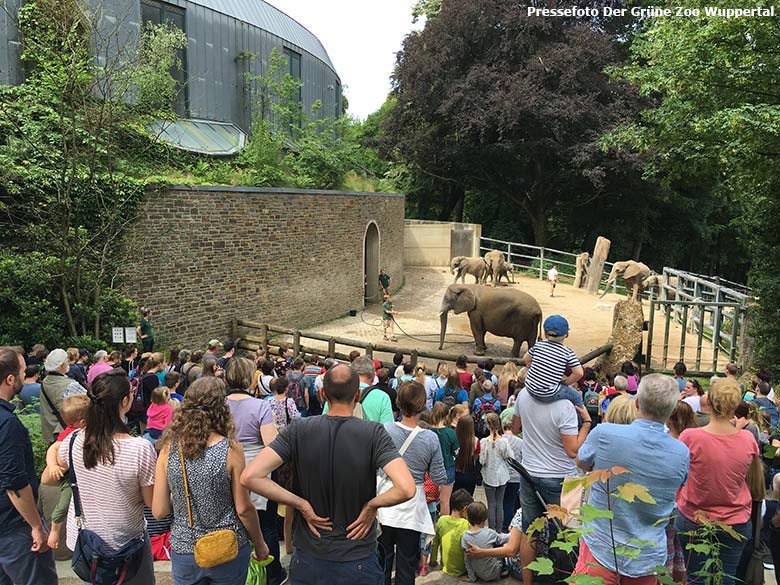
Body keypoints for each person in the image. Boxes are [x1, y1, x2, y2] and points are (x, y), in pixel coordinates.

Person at [240, 364, 416, 583]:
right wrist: (372, 505)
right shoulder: (374, 433)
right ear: (358, 395)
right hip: (358, 557)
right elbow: (407, 488)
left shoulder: (299, 429)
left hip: (309, 558)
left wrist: (300, 504)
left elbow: (250, 476)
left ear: (322, 394)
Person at [574, 374, 690, 584]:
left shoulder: (604, 434)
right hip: (647, 557)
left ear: (637, 403)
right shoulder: (681, 453)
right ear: (673, 410)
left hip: (601, 547)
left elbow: (581, 462)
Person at [152, 377, 270, 584]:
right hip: (228, 545)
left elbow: (159, 510)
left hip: (185, 548)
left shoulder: (168, 449)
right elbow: (243, 509)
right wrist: (260, 544)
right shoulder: (231, 449)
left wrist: (184, 496)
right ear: (221, 408)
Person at [48, 368, 157, 584]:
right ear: (125, 401)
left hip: (88, 542)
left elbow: (54, 456)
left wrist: (52, 462)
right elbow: (152, 503)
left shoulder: (75, 441)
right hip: (127, 543)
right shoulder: (139, 448)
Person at [675, 379, 762, 585]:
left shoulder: (690, 437)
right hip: (736, 520)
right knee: (726, 579)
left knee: (695, 578)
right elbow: (752, 478)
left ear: (710, 402)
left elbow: (677, 473)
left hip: (694, 518)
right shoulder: (748, 439)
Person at [511, 373, 591, 585]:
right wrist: (586, 424)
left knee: (530, 530)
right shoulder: (565, 405)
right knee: (564, 532)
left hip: (529, 472)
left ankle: (528, 582)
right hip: (561, 477)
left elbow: (515, 428)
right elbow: (573, 451)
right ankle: (563, 579)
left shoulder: (525, 395)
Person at [379, 381, 447, 585]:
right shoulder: (430, 439)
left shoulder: (384, 430)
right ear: (422, 405)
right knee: (407, 564)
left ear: (399, 402)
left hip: (384, 500)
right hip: (411, 503)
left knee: (382, 561)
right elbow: (438, 477)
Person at [0, 346, 57, 585]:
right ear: (10, 379)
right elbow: (14, 483)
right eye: (23, 371)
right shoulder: (7, 424)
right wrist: (35, 526)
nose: (25, 376)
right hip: (15, 528)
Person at [223, 357, 283, 584]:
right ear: (250, 379)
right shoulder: (261, 406)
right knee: (265, 523)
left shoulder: (219, 404)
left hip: (226, 463)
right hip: (256, 467)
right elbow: (271, 444)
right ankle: (271, 574)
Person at [42, 393, 90, 550]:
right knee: (65, 501)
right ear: (81, 422)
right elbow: (53, 449)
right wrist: (53, 466)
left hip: (81, 475)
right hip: (70, 478)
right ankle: (54, 530)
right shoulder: (70, 433)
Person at [523, 315, 584, 409]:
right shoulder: (567, 352)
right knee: (577, 396)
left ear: (545, 334)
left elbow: (526, 359)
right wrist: (566, 382)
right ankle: (584, 419)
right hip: (549, 394)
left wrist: (540, 367)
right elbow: (579, 373)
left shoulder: (538, 345)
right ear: (567, 334)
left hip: (530, 387)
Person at [322, 356, 394, 423]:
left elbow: (325, 423)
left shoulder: (335, 392)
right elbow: (387, 429)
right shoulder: (382, 397)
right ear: (373, 378)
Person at [461, 502, 510, 582]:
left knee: (468, 556)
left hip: (479, 574)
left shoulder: (464, 537)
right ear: (485, 519)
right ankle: (504, 570)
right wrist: (514, 533)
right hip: (495, 572)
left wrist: (472, 577)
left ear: (467, 518)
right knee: (500, 545)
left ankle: (473, 577)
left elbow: (467, 560)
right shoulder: (489, 533)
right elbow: (503, 539)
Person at [430, 489, 474, 577]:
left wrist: (433, 561)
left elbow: (434, 544)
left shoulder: (441, 520)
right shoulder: (467, 524)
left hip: (445, 567)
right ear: (465, 509)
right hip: (463, 569)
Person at [479, 413, 511, 531]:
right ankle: (499, 531)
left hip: (488, 475)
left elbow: (482, 460)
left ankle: (492, 530)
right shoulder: (504, 442)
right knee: (500, 503)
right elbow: (509, 457)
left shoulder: (484, 442)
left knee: (491, 504)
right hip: (502, 475)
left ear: (487, 425)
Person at [431, 402, 458, 516]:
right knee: (445, 501)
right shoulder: (450, 433)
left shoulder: (428, 432)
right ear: (447, 415)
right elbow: (456, 451)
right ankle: (443, 527)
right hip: (447, 466)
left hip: (430, 468)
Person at [40, 348, 72, 443]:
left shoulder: (45, 382)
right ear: (62, 365)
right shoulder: (70, 385)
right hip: (66, 433)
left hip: (51, 432)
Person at [502, 421, 523, 532]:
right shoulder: (520, 442)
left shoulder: (499, 440)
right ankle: (507, 526)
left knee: (500, 502)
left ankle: (500, 526)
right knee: (510, 502)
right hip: (516, 477)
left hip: (501, 476)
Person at [454, 415, 481, 496]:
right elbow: (476, 457)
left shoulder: (454, 438)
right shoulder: (475, 441)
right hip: (470, 472)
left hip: (456, 471)